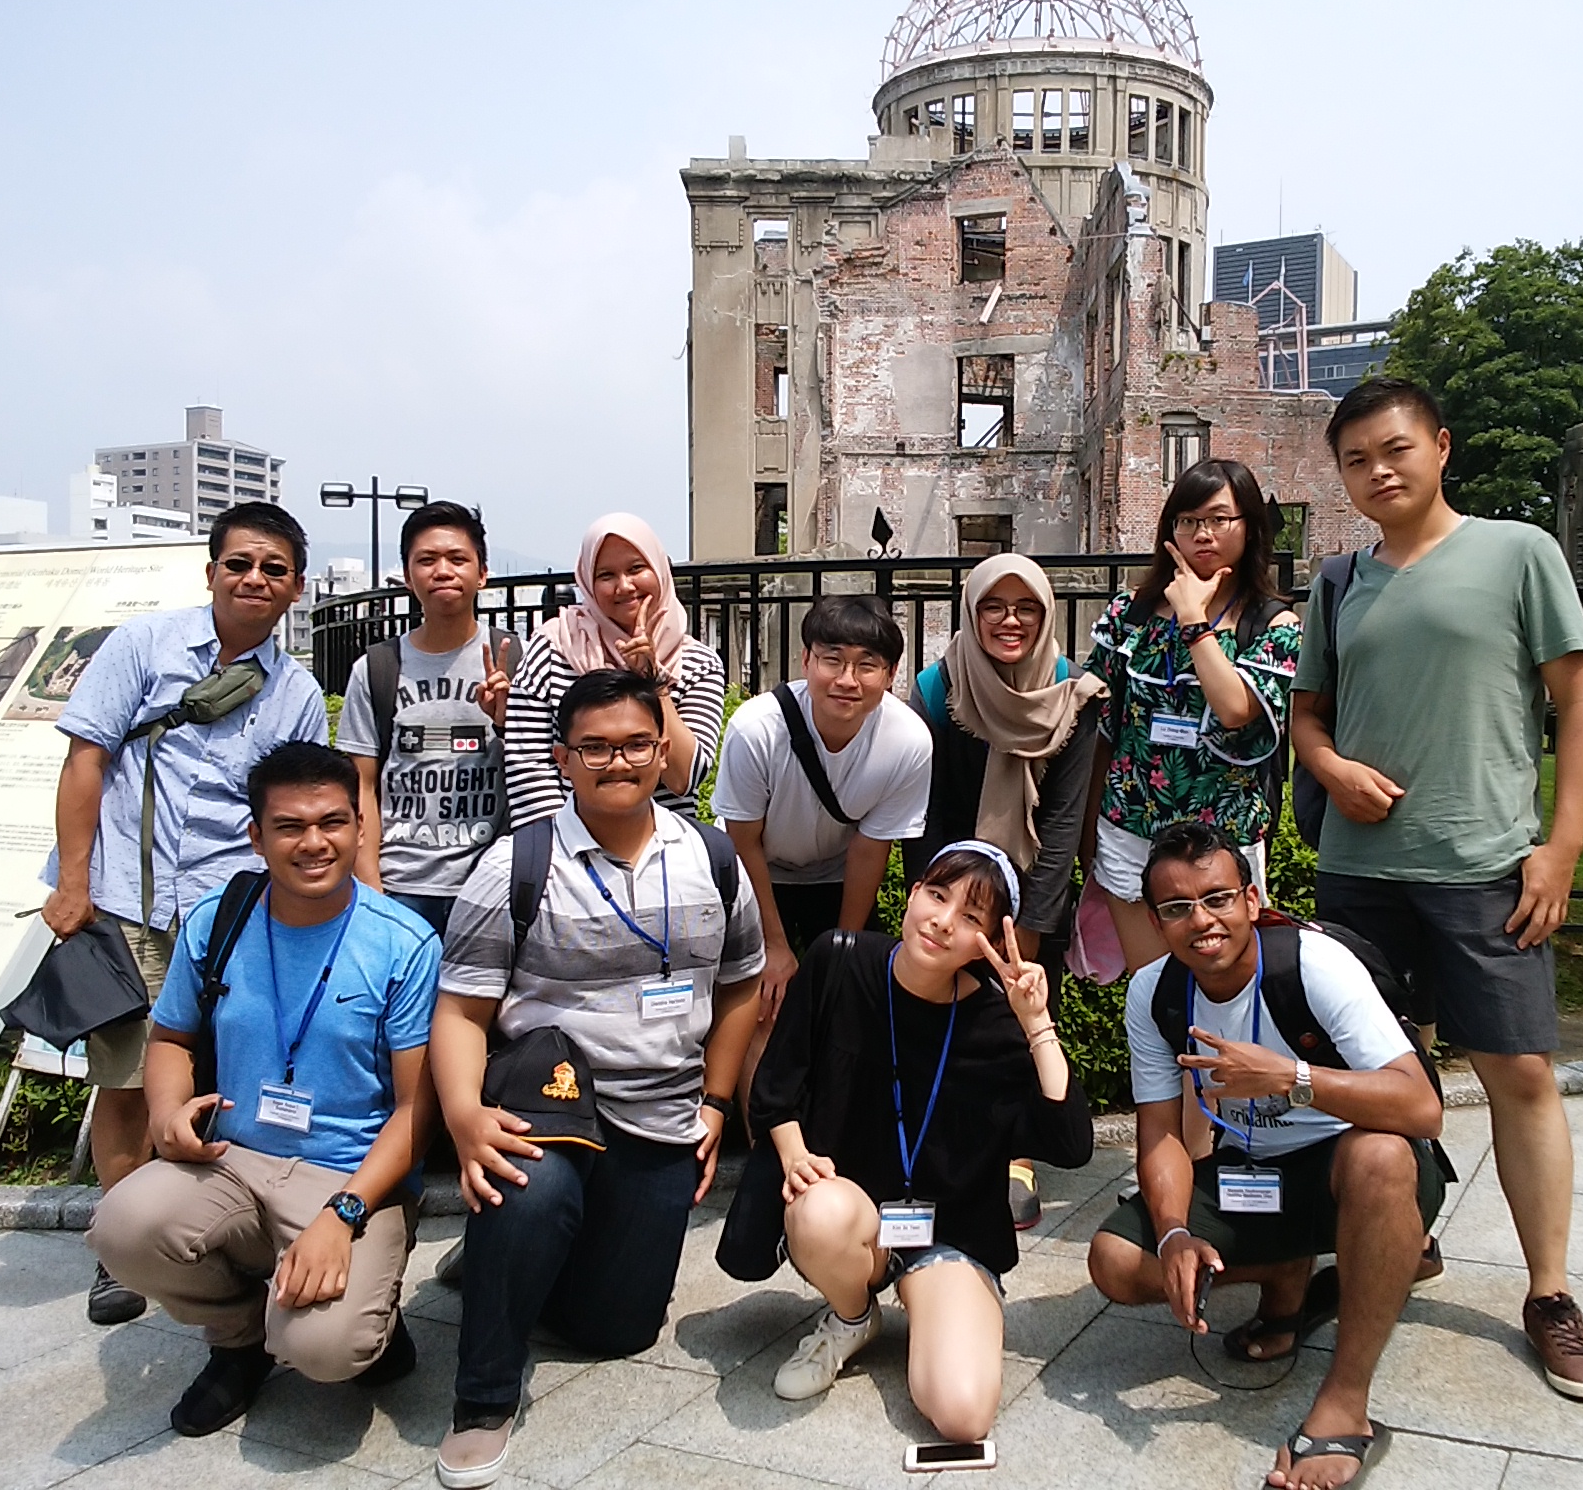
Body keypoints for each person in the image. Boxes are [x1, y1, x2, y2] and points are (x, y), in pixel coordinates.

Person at [1289, 375, 1583, 1403]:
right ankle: (1396, 1242)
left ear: (1439, 446)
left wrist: (1557, 848)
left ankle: (1549, 1291)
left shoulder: (1516, 553)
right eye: (1354, 460)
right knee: (1380, 1077)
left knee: (1518, 1073)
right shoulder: (1340, 582)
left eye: (1393, 449)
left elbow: (1579, 699)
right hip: (1361, 873)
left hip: (1483, 866)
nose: (1376, 471)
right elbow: (1306, 718)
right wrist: (1331, 768)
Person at [431, 668, 765, 1489]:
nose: (617, 762)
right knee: (532, 1192)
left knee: (622, 1328)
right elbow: (462, 1011)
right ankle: (482, 1396)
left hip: (658, 1109)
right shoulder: (519, 863)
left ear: (663, 751)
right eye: (595, 747)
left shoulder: (711, 859)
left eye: (635, 744)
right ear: (561, 757)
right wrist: (466, 1118)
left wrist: (717, 1101)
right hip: (546, 1093)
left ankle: (504, 1264)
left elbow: (741, 987)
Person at [86, 742, 440, 1436]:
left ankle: (358, 1313)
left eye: (333, 822)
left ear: (361, 827)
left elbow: (414, 1109)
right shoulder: (221, 919)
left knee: (327, 1351)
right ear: (255, 835)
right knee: (123, 1229)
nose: (314, 843)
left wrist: (342, 1217)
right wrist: (166, 1116)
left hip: (349, 1173)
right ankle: (239, 1340)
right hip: (232, 1158)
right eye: (290, 826)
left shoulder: (403, 943)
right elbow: (171, 1040)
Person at [40, 500, 329, 1327]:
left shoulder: (296, 692)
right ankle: (119, 1247)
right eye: (240, 563)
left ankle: (216, 1227)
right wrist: (73, 881)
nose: (255, 579)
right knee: (129, 1081)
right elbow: (86, 759)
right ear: (210, 573)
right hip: (128, 904)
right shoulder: (144, 646)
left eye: (274, 569)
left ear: (296, 588)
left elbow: (292, 808)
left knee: (222, 1076)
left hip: (228, 914)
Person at [1086, 823, 1444, 1490]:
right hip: (1252, 1168)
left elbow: (1422, 1108)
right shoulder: (1155, 993)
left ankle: (1347, 1404)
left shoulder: (1314, 963)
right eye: (1176, 908)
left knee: (1380, 1159)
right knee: (1117, 1261)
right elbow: (1161, 1132)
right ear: (1157, 922)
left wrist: (1292, 1078)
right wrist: (1172, 1234)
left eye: (1218, 898)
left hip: (1348, 1162)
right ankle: (1297, 1275)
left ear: (1252, 900)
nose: (1202, 921)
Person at [742, 842, 1092, 1444]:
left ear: (989, 940)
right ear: (911, 893)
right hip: (854, 1216)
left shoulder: (994, 1020)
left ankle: (937, 1298)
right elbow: (776, 1089)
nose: (942, 920)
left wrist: (1037, 1024)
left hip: (949, 1232)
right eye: (936, 894)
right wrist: (796, 1157)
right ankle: (852, 1315)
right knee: (820, 1211)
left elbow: (1069, 1142)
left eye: (971, 916)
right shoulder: (839, 962)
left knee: (962, 1416)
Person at [906, 553, 1106, 1228]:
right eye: (994, 605)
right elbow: (923, 811)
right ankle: (944, 1135)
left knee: (1020, 1013)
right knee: (943, 1010)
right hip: (951, 881)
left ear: (1046, 613)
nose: (1009, 620)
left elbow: (1063, 819)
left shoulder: (1071, 694)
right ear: (972, 610)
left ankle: (1017, 1151)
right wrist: (942, 907)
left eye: (1025, 607)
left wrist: (1028, 924)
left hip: (1028, 890)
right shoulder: (938, 690)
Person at [1081, 457, 1300, 977]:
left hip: (1222, 841)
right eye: (1187, 520)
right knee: (1152, 986)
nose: (1203, 533)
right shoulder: (1129, 614)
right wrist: (1090, 832)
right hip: (1131, 826)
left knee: (1222, 983)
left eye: (1220, 519)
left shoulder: (1272, 626)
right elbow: (1100, 727)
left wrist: (1194, 620)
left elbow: (1235, 708)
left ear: (1249, 527)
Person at [711, 594, 932, 1100]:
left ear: (891, 673)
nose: (847, 680)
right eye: (832, 659)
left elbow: (870, 849)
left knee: (863, 993)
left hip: (835, 872)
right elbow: (742, 841)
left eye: (866, 665)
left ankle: (844, 1132)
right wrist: (772, 944)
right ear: (806, 660)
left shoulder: (908, 741)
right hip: (757, 873)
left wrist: (844, 954)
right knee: (762, 999)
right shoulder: (756, 728)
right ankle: (767, 1141)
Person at [335, 501, 518, 937]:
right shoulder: (377, 668)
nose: (443, 571)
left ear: (482, 573)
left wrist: (506, 722)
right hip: (400, 887)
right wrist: (371, 888)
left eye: (458, 559)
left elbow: (548, 770)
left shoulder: (519, 660)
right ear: (406, 575)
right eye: (427, 560)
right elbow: (361, 784)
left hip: (493, 883)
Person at [502, 512, 725, 827]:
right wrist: (562, 853)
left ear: (660, 570)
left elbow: (685, 778)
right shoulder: (553, 648)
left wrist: (655, 683)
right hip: (567, 855)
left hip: (665, 853)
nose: (624, 586)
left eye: (636, 568)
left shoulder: (697, 663)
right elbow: (528, 766)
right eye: (606, 575)